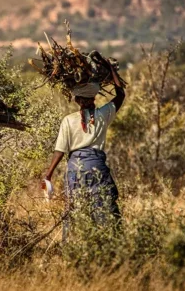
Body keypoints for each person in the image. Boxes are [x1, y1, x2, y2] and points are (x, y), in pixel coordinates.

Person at [43, 67, 125, 225]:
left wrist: (49, 174)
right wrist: (111, 69)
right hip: (97, 168)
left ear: (76, 100)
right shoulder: (103, 115)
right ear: (94, 97)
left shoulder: (68, 120)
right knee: (106, 209)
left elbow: (59, 151)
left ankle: (75, 245)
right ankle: (111, 243)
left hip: (75, 170)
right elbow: (120, 95)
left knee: (75, 211)